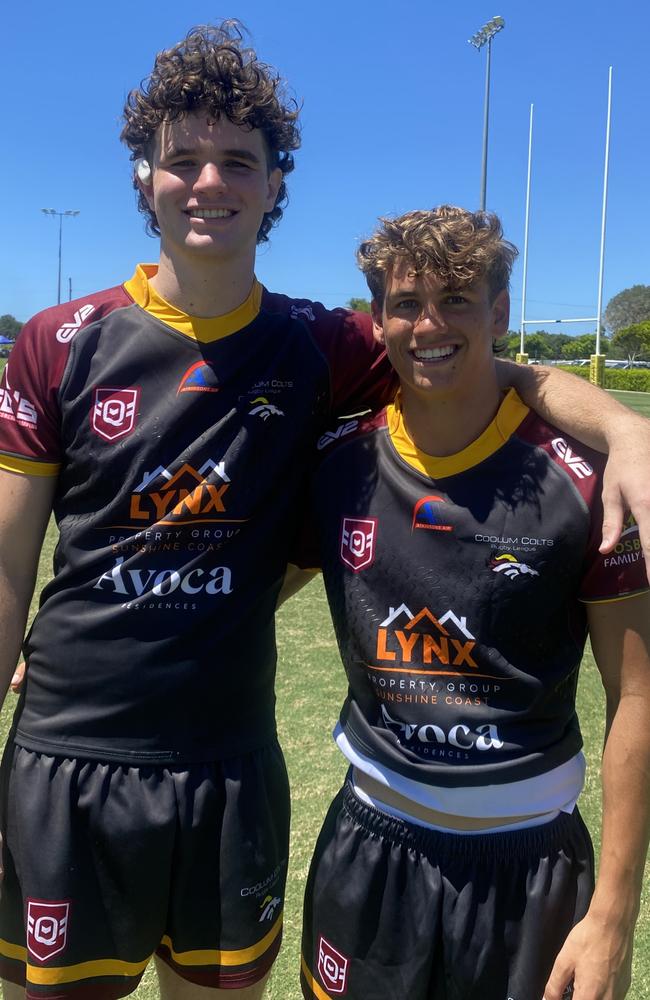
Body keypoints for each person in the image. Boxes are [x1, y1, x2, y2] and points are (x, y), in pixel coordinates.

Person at [0, 22, 648, 1000]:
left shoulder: (320, 342)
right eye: (182, 159)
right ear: (144, 176)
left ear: (272, 183)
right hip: (66, 750)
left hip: (228, 762)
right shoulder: (58, 342)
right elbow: (7, 571)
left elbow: (477, 361)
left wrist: (624, 430)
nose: (208, 180)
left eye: (236, 160)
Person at [296, 206, 650, 1000]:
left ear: (498, 311)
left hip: (531, 867)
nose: (431, 324)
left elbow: (638, 693)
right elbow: (249, 591)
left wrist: (616, 912)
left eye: (457, 299)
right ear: (378, 318)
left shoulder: (584, 477)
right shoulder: (337, 463)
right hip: (369, 851)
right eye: (406, 303)